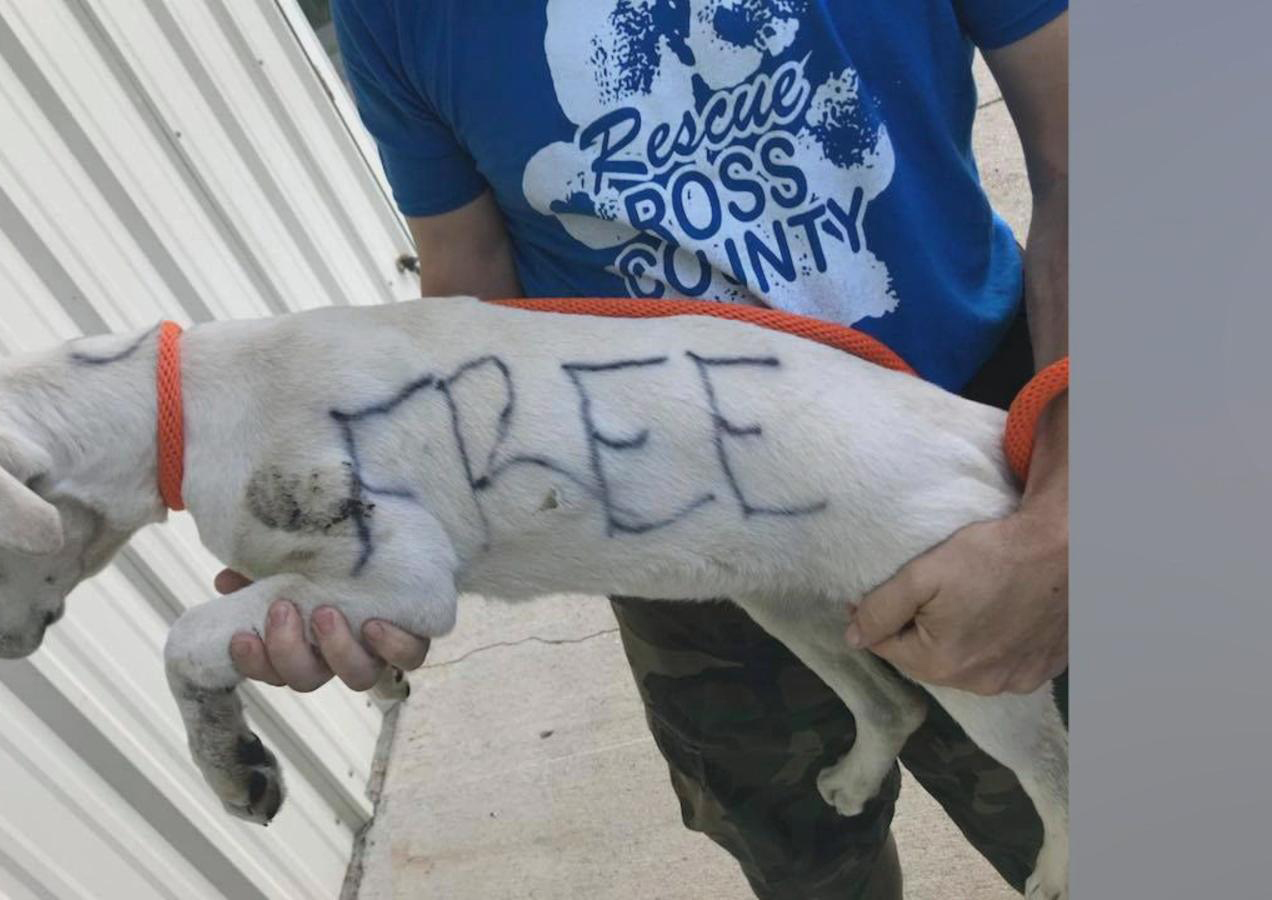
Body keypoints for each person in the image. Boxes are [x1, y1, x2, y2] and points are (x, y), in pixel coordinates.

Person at [220, 2, 1069, 896]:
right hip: (670, 521)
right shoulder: (397, 16)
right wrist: (384, 537)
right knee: (799, 851)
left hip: (972, 460)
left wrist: (1065, 514)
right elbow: (475, 292)